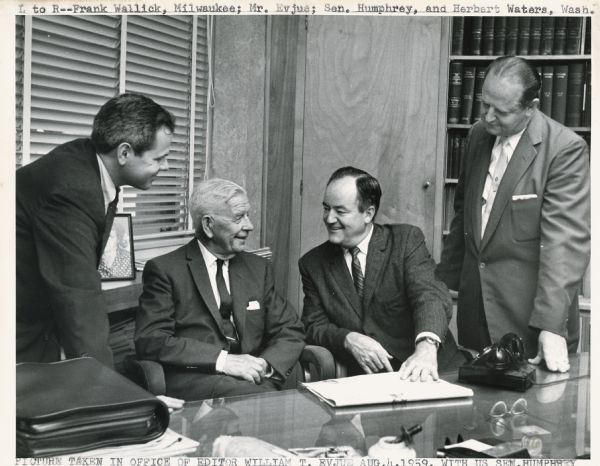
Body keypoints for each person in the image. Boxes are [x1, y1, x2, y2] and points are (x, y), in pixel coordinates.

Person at [436, 56, 590, 373]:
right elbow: (464, 213)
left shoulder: (565, 149)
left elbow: (564, 243)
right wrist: (438, 290)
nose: (488, 117)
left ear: (530, 107)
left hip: (532, 325)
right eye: (484, 105)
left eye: (501, 112)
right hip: (476, 315)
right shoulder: (478, 135)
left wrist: (550, 325)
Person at [17, 93, 174, 367]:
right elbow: (79, 299)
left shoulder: (88, 164)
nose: (166, 166)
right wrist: (110, 396)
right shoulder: (72, 188)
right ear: (124, 153)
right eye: (159, 159)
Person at [135, 178, 305, 400]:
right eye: (238, 217)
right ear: (208, 225)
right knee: (269, 401)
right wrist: (225, 362)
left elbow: (290, 329)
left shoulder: (257, 267)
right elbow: (152, 340)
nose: (249, 226)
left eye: (248, 215)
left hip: (254, 377)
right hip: (200, 377)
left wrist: (265, 365)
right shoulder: (166, 270)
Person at [299, 167, 464, 381]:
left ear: (368, 213)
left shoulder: (405, 241)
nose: (329, 219)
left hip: (431, 371)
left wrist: (426, 348)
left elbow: (429, 296)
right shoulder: (313, 263)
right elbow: (314, 326)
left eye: (340, 211)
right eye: (326, 208)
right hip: (367, 382)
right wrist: (348, 338)